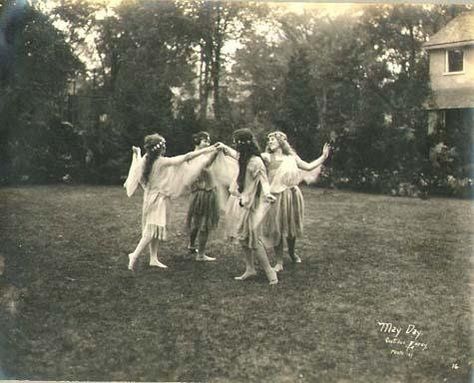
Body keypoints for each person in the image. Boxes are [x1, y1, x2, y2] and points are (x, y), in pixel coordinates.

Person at [124, 133, 219, 271]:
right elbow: (186, 157)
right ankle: (134, 254)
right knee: (152, 228)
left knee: (155, 228)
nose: (165, 148)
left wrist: (138, 153)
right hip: (158, 199)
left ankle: (153, 258)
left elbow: (138, 169)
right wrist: (209, 149)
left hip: (151, 197)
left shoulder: (146, 159)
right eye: (164, 146)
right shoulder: (161, 161)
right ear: (160, 149)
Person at [261, 131, 330, 272]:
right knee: (277, 228)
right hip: (276, 196)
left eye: (272, 139)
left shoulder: (291, 157)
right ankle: (279, 262)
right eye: (268, 140)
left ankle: (292, 253)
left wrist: (323, 157)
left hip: (292, 195)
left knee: (291, 227)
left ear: (281, 141)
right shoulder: (267, 157)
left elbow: (308, 166)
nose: (269, 142)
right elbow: (250, 157)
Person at [219, 129, 278, 285]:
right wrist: (223, 147)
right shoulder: (243, 157)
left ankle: (270, 272)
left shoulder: (256, 161)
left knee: (253, 238)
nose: (235, 146)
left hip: (249, 204)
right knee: (243, 237)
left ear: (242, 144)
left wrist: (267, 194)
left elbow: (263, 180)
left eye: (236, 143)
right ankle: (250, 268)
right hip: (240, 201)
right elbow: (234, 154)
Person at [186, 131, 220, 261]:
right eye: (205, 140)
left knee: (196, 221)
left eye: (208, 140)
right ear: (197, 142)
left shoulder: (195, 156)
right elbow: (205, 166)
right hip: (204, 193)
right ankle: (201, 255)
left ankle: (191, 245)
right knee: (204, 222)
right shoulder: (197, 157)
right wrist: (215, 153)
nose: (208, 143)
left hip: (199, 192)